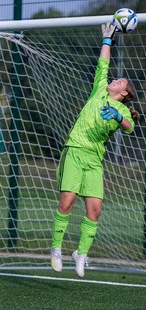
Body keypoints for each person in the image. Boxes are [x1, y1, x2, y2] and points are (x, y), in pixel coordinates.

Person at [50, 22, 140, 277]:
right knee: (66, 203)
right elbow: (103, 64)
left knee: (95, 209)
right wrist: (107, 39)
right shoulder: (99, 89)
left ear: (123, 93)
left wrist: (118, 116)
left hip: (94, 160)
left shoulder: (121, 109)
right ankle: (56, 249)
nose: (116, 78)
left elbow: (130, 127)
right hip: (76, 150)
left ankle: (81, 253)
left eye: (120, 81)